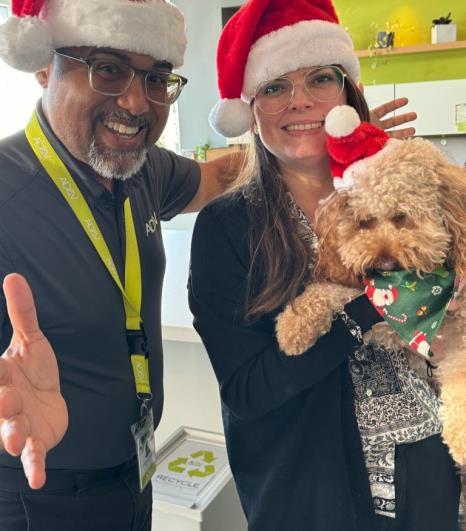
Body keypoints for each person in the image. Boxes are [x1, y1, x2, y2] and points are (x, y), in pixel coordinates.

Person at [0, 0, 418, 530]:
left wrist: (334, 137)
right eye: (107, 68)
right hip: (34, 484)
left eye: (156, 77)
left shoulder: (140, 168)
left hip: (132, 472)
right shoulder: (8, 191)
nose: (135, 100)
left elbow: (222, 175)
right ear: (43, 66)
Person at [188, 1, 462, 530]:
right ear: (250, 111)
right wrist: (369, 310)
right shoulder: (229, 227)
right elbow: (247, 392)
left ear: (346, 93)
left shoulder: (399, 183)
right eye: (274, 87)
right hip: (314, 496)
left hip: (430, 474)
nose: (301, 100)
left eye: (319, 78)